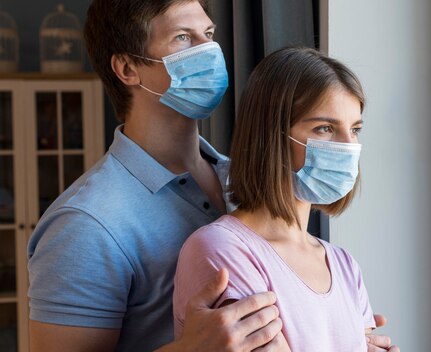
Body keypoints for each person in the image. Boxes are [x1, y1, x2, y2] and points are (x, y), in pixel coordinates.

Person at [27, 0, 397, 351]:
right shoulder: (86, 223)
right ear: (127, 68)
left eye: (210, 34)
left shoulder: (251, 181)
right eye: (184, 38)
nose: (209, 52)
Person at [173, 47, 400, 352]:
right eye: (325, 128)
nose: (348, 147)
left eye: (355, 129)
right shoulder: (222, 249)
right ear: (272, 135)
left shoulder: (343, 265)